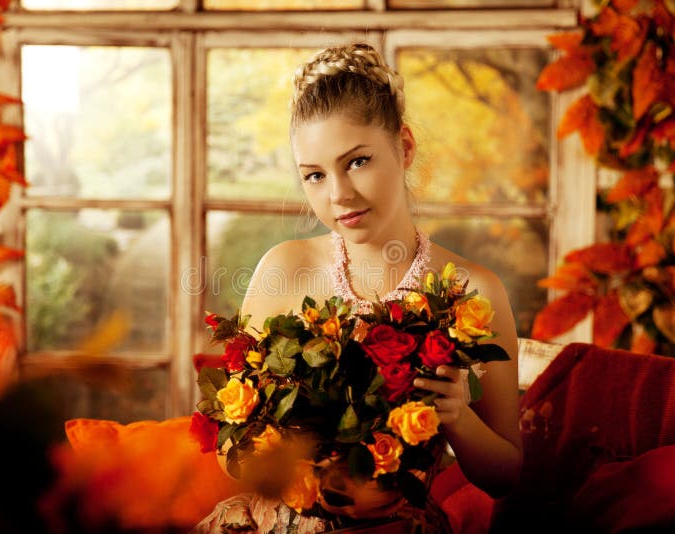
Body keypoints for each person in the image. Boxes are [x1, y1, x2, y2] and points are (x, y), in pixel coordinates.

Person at [196, 42, 521, 533]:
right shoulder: (284, 269)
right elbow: (227, 446)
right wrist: (287, 466)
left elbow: (507, 475)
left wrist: (458, 416)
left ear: (404, 147)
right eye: (314, 175)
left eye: (357, 162)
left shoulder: (474, 292)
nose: (338, 194)